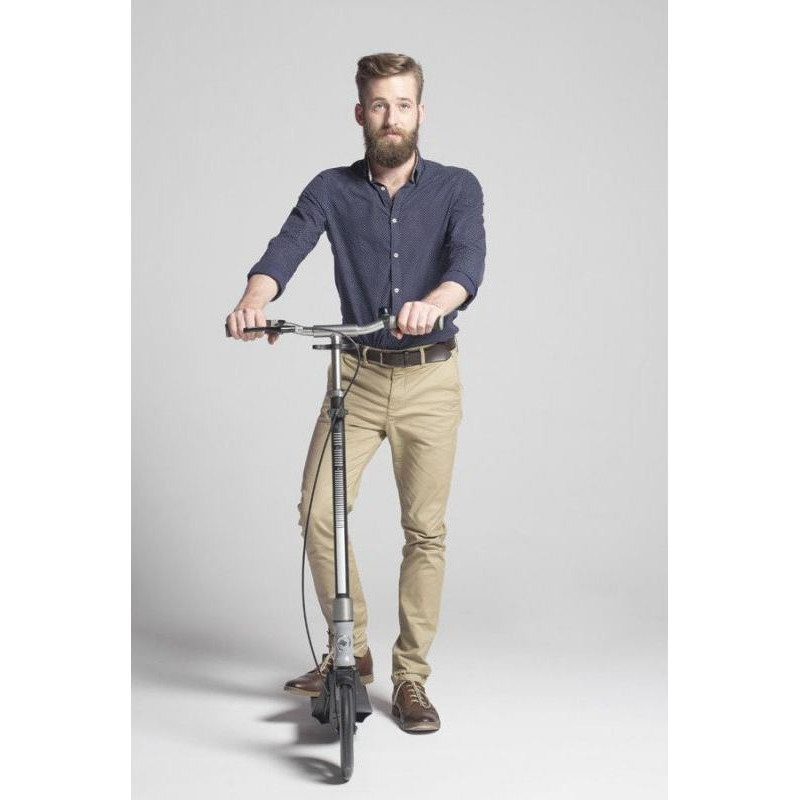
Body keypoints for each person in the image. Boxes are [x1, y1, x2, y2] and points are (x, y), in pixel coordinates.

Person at [226, 53, 486, 733]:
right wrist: (255, 299)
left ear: (420, 112)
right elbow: (286, 247)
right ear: (360, 113)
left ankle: (411, 677)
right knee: (319, 512)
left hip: (430, 377)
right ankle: (354, 652)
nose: (390, 117)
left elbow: (468, 264)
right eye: (378, 105)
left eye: (402, 104)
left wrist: (434, 303)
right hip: (358, 377)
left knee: (423, 530)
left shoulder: (457, 187)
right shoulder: (331, 189)